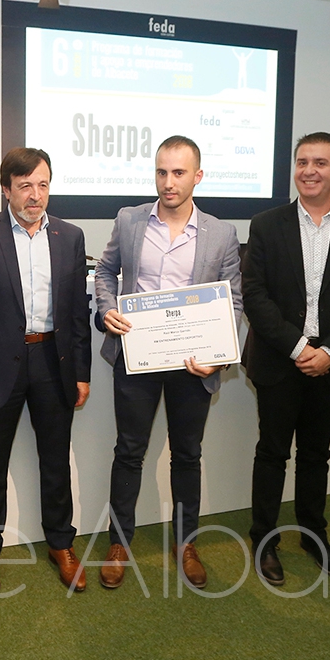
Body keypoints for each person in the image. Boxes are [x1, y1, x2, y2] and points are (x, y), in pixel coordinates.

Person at [95, 135, 242, 590]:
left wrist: (219, 356)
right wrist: (107, 308)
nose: (168, 182)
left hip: (192, 364)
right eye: (161, 172)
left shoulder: (221, 233)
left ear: (198, 176)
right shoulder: (130, 219)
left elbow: (233, 300)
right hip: (137, 356)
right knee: (129, 451)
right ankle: (119, 542)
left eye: (178, 173)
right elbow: (105, 272)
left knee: (187, 454)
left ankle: (186, 543)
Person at [0, 147, 93, 600]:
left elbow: (76, 313)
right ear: (6, 189)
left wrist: (82, 372)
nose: (35, 195)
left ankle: (61, 544)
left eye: (43, 185)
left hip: (53, 362)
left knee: (56, 461)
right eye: (25, 186)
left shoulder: (69, 236)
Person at [241, 132, 330, 585]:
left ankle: (313, 534)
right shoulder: (265, 225)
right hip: (281, 358)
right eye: (302, 162)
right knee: (272, 452)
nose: (309, 171)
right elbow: (255, 295)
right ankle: (264, 539)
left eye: (320, 162)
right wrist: (300, 347)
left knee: (316, 454)